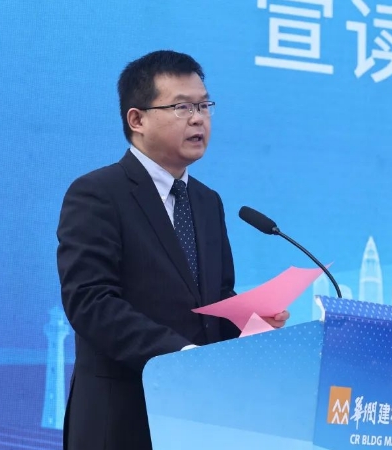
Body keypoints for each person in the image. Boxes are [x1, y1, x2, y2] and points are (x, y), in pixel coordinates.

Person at [56, 50, 289, 450]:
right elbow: (91, 303)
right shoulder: (98, 193)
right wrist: (180, 355)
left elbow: (214, 300)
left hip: (195, 418)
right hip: (122, 417)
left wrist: (251, 321)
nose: (198, 119)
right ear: (137, 119)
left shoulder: (206, 201)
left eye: (204, 106)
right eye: (182, 107)